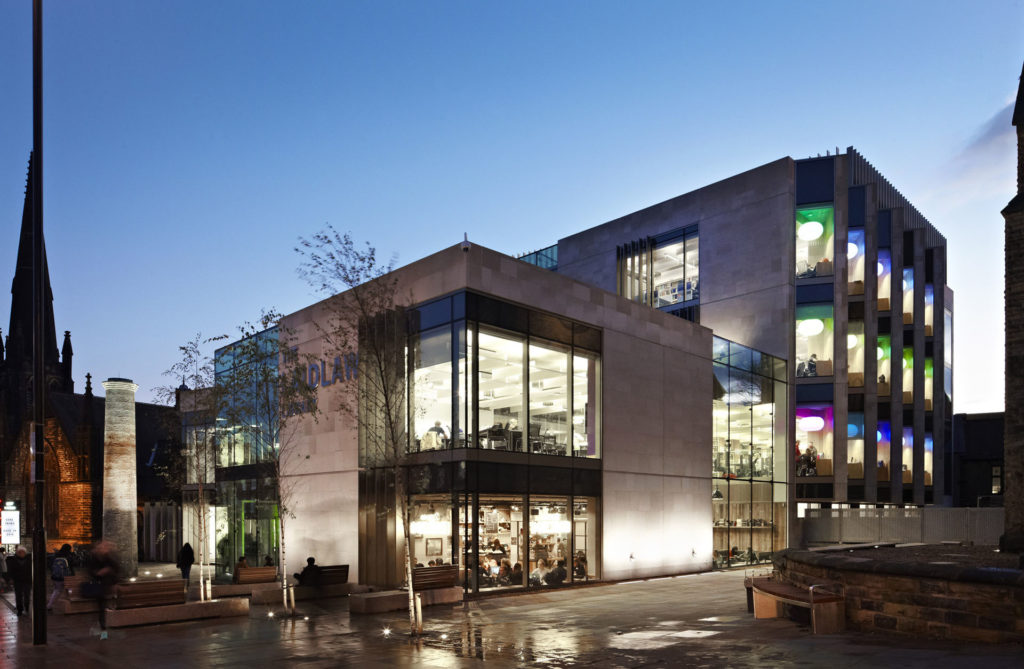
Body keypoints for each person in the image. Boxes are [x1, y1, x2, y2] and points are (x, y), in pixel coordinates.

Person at [88, 541, 119, 639]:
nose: (104, 548)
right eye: (102, 547)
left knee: (101, 608)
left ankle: (101, 628)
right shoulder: (94, 558)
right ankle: (103, 630)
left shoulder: (107, 558)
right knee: (101, 608)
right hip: (98, 586)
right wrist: (99, 573)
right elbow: (91, 572)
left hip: (106, 585)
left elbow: (116, 568)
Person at [47, 543, 74, 611]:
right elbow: (72, 565)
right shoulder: (68, 556)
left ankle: (49, 605)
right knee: (70, 589)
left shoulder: (56, 555)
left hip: (56, 577)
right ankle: (70, 606)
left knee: (56, 590)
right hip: (67, 577)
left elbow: (51, 565)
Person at [8, 546, 32, 616]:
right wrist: (11, 578)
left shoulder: (29, 560)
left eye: (23, 552)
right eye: (19, 552)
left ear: (25, 553)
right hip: (17, 581)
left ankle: (27, 607)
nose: (21, 553)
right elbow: (11, 570)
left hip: (27, 580)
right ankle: (20, 609)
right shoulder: (13, 560)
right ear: (17, 553)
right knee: (18, 596)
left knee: (27, 595)